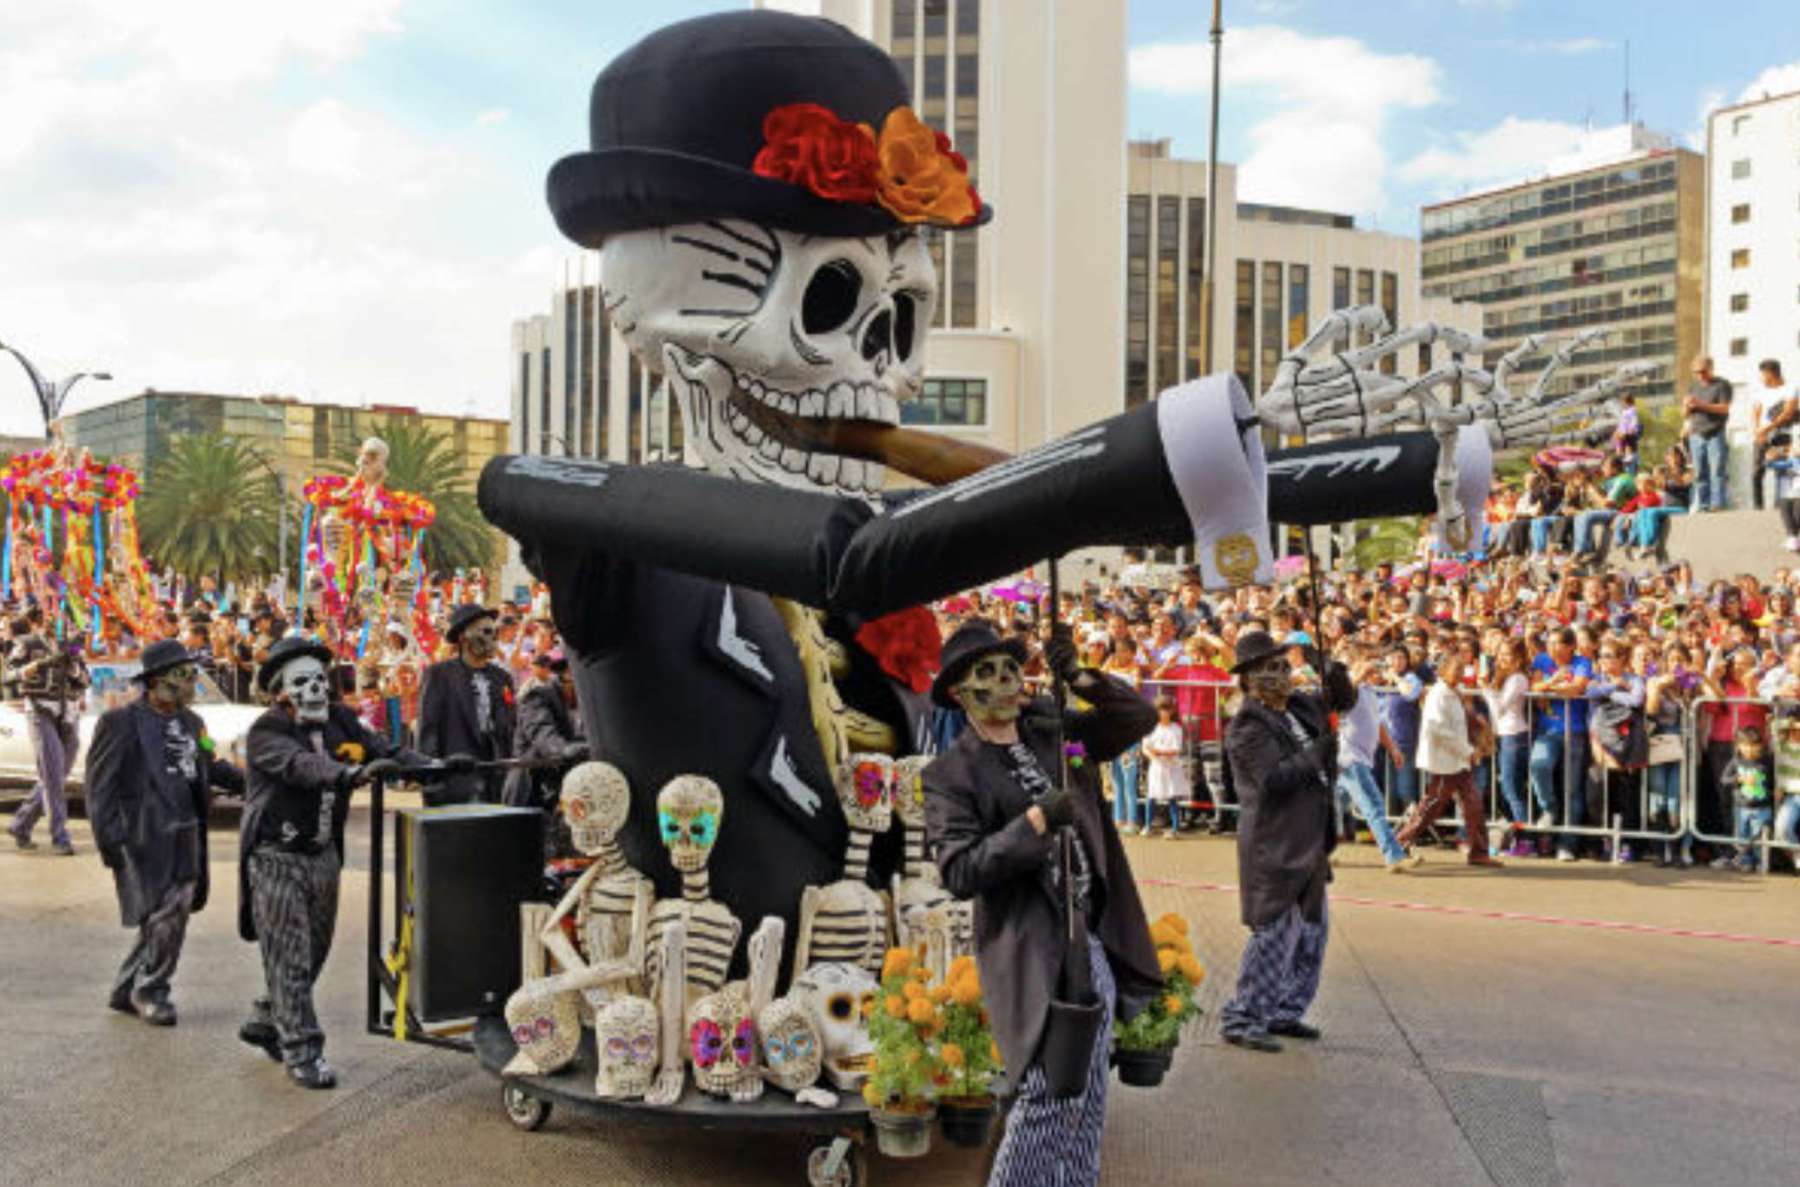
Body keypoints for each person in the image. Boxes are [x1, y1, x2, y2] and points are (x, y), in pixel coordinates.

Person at [923, 621, 1161, 1187]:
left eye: (1010, 668)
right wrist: (1031, 825)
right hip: (1032, 950)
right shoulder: (950, 775)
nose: (1006, 682)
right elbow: (960, 869)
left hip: (1092, 938)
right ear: (960, 692)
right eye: (988, 674)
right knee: (1044, 1094)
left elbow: (1135, 721)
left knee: (1088, 1093)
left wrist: (1081, 678)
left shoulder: (1059, 738)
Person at [236, 636, 438, 1089]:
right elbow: (300, 767)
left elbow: (383, 749)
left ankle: (271, 1016)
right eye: (303, 683)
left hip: (323, 854)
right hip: (277, 858)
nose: (316, 692)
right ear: (280, 693)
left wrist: (434, 765)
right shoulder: (267, 732)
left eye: (321, 681)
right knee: (291, 957)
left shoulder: (342, 720)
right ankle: (303, 1051)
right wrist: (348, 774)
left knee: (313, 954)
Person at [86, 639, 245, 1026]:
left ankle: (129, 986)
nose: (193, 682)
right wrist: (109, 839)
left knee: (167, 914)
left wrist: (252, 782)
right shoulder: (120, 723)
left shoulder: (193, 723)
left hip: (187, 830)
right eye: (185, 675)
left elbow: (209, 760)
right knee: (164, 913)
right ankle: (151, 990)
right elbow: (99, 785)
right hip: (144, 832)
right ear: (158, 680)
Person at [1219, 630, 1354, 1052]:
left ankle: (1285, 1010)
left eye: (1283, 664)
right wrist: (1316, 753)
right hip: (1274, 844)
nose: (1280, 673)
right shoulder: (1245, 727)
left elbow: (1341, 698)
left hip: (1310, 840)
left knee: (1313, 933)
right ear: (1249, 680)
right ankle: (1244, 1016)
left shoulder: (1300, 706)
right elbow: (1272, 780)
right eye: (1268, 668)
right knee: (1274, 933)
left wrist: (1333, 670)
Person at [1399, 660, 1503, 867]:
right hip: (1444, 760)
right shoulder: (1439, 695)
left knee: (1473, 804)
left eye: (1460, 670)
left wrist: (1476, 722)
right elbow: (1438, 730)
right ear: (1442, 671)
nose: (1458, 674)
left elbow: (1460, 720)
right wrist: (1467, 751)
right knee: (1431, 806)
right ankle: (1399, 843)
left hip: (1458, 760)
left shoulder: (1455, 692)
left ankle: (1478, 852)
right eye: (1455, 669)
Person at [6, 612, 89, 855]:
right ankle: (60, 836)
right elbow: (9, 676)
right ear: (42, 623)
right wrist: (40, 664)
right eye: (56, 621)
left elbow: (86, 680)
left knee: (57, 776)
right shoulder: (28, 643)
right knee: (52, 776)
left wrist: (72, 666)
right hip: (41, 712)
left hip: (69, 715)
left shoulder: (73, 649)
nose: (62, 627)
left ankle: (21, 823)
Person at [416, 603, 515, 805]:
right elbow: (428, 730)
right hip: (454, 777)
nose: (493, 638)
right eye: (486, 632)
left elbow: (510, 727)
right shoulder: (439, 675)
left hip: (495, 778)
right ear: (463, 637)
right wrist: (431, 777)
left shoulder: (502, 678)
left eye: (495, 632)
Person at [1334, 644, 1418, 873]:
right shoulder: (1348, 684)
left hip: (1358, 757)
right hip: (1349, 757)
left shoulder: (1370, 690)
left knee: (1331, 806)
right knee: (1374, 805)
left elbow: (1378, 723)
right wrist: (1359, 671)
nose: (1377, 665)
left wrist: (1393, 749)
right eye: (1370, 659)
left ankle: (1321, 852)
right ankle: (1394, 856)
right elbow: (1340, 697)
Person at [1529, 627, 1593, 861]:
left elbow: (1577, 688)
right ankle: (1549, 807)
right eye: (1550, 642)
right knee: (1539, 765)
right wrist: (1554, 683)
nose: (1552, 647)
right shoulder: (1541, 660)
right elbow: (1534, 687)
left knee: (1572, 789)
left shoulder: (1582, 662)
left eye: (1558, 643)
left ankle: (1568, 844)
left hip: (1574, 731)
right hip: (1548, 730)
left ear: (1570, 646)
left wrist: (1549, 688)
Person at [501, 648, 589, 816]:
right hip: (532, 788)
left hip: (569, 789)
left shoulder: (587, 703)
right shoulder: (537, 697)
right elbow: (542, 733)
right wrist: (564, 749)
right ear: (568, 675)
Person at [1718, 724, 1773, 872]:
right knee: (1742, 836)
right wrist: (1738, 779)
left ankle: (1761, 861)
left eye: (1753, 746)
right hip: (1741, 807)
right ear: (1738, 746)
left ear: (1760, 746)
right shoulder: (1735, 762)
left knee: (1758, 836)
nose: (1749, 750)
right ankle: (1746, 861)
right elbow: (1724, 779)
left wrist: (1775, 792)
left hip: (1762, 807)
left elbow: (1774, 780)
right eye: (1745, 746)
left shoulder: (1766, 761)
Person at [1684, 355, 1733, 512]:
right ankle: (1704, 505)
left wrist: (1701, 404)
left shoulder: (1722, 385)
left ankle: (1717, 503)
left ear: (1711, 368)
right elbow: (1685, 414)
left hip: (1715, 432)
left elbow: (1724, 408)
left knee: (1717, 470)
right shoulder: (1693, 387)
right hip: (1696, 433)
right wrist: (1686, 407)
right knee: (1699, 472)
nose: (1700, 375)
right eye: (1696, 372)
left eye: (1703, 371)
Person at [1750, 359, 1796, 512]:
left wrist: (1768, 428)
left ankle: (1780, 506)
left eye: (1763, 375)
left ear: (1770, 373)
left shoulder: (1791, 388)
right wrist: (1758, 431)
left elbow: (1788, 412)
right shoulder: (1761, 392)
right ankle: (1758, 507)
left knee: (1781, 471)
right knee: (1756, 472)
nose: (1761, 378)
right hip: (1762, 437)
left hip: (1782, 436)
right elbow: (1756, 411)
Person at [1141, 695, 1185, 838]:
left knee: (1172, 797)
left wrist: (1158, 752)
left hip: (1171, 768)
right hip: (1156, 768)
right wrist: (1153, 756)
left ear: (1172, 711)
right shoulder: (1151, 728)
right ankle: (1148, 826)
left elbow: (1175, 750)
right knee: (1151, 796)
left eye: (1166, 709)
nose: (1163, 713)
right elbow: (1145, 748)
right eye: (1160, 709)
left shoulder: (1176, 729)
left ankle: (1175, 829)